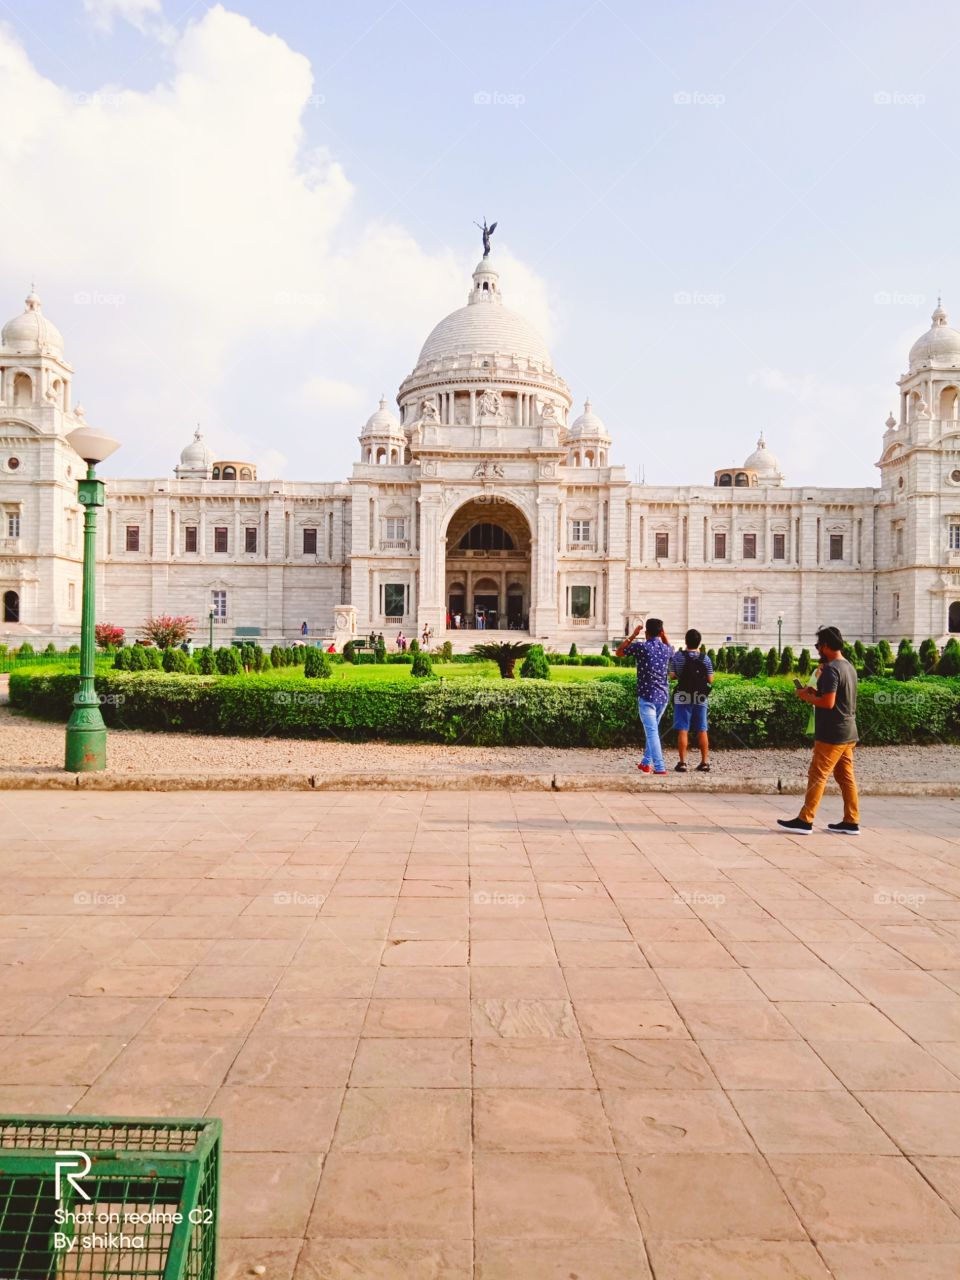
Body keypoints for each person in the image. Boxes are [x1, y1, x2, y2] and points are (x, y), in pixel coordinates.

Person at [778, 625, 860, 835]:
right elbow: (835, 695)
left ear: (825, 646)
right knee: (845, 778)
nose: (817, 650)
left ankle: (805, 820)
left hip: (832, 733)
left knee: (818, 775)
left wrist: (806, 696)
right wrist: (814, 689)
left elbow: (828, 702)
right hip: (848, 731)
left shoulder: (832, 669)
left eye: (818, 646)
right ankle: (851, 820)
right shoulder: (848, 666)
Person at [617, 617, 673, 775]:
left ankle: (660, 767)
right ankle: (646, 763)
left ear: (646, 632)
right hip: (663, 696)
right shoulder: (667, 649)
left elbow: (619, 652)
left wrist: (633, 635)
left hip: (647, 696)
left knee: (652, 732)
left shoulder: (641, 647)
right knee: (653, 730)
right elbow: (671, 648)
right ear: (661, 632)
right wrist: (664, 636)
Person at [670, 629, 713, 772]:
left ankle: (682, 763)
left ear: (686, 641)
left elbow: (672, 676)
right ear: (699, 642)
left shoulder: (677, 657)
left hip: (682, 695)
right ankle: (704, 762)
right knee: (702, 729)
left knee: (683, 729)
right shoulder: (705, 658)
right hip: (700, 696)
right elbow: (710, 680)